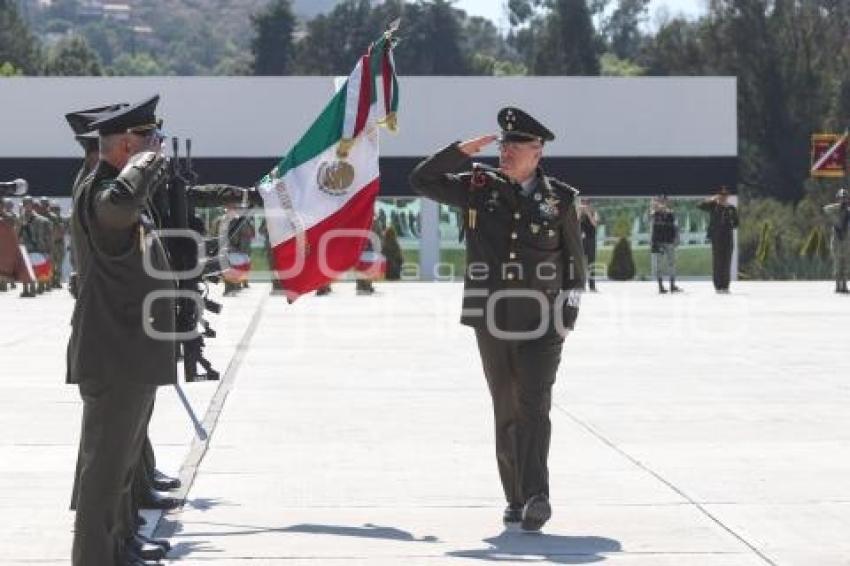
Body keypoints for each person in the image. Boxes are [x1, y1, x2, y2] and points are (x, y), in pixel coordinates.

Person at [410, 107, 586, 532]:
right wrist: (457, 152)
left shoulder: (560, 199)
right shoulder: (478, 187)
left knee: (534, 405)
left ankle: (538, 496)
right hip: (490, 319)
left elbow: (575, 269)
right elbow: (420, 181)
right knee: (506, 407)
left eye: (515, 145)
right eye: (503, 144)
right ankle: (516, 497)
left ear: (537, 150)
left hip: (542, 322)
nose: (505, 151)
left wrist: (564, 321)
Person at [66, 94, 177, 566]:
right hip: (114, 351)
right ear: (128, 144)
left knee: (122, 466)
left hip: (128, 348)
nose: (158, 146)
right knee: (105, 472)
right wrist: (147, 161)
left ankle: (114, 549)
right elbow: (119, 210)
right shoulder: (102, 190)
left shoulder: (117, 187)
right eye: (149, 139)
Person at [698, 186, 739, 293]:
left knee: (726, 262)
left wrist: (731, 221)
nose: (723, 197)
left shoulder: (731, 208)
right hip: (716, 238)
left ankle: (725, 286)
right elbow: (700, 206)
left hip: (728, 238)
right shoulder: (713, 206)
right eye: (721, 195)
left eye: (725, 195)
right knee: (717, 262)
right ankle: (718, 285)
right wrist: (712, 199)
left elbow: (736, 223)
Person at [17, 196, 52, 296]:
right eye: (25, 204)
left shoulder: (41, 220)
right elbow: (16, 233)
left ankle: (32, 289)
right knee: (24, 269)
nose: (27, 206)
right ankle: (25, 290)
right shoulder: (20, 219)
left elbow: (47, 235)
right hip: (24, 247)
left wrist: (47, 249)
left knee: (34, 269)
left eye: (29, 204)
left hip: (37, 248)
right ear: (23, 205)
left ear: (32, 205)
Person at [650, 195, 682, 294]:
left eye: (664, 201)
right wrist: (655, 209)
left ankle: (672, 285)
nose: (663, 203)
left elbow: (675, 227)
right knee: (658, 265)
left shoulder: (671, 214)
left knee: (671, 264)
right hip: (658, 242)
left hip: (669, 241)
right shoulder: (654, 214)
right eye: (661, 201)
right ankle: (661, 286)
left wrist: (677, 238)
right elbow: (648, 221)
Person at [823, 188, 850, 293]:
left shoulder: (849, 212)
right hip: (837, 243)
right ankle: (838, 285)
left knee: (846, 266)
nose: (843, 200)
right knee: (837, 265)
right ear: (837, 199)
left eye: (845, 198)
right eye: (841, 198)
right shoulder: (834, 210)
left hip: (847, 244)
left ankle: (844, 285)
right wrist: (838, 206)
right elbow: (825, 209)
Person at [578, 198, 599, 292]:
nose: (585, 204)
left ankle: (592, 286)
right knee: (580, 264)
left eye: (587, 202)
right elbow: (574, 223)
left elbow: (595, 224)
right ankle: (581, 285)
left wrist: (589, 214)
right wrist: (580, 212)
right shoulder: (578, 212)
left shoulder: (594, 212)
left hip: (591, 240)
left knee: (591, 264)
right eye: (583, 202)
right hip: (581, 241)